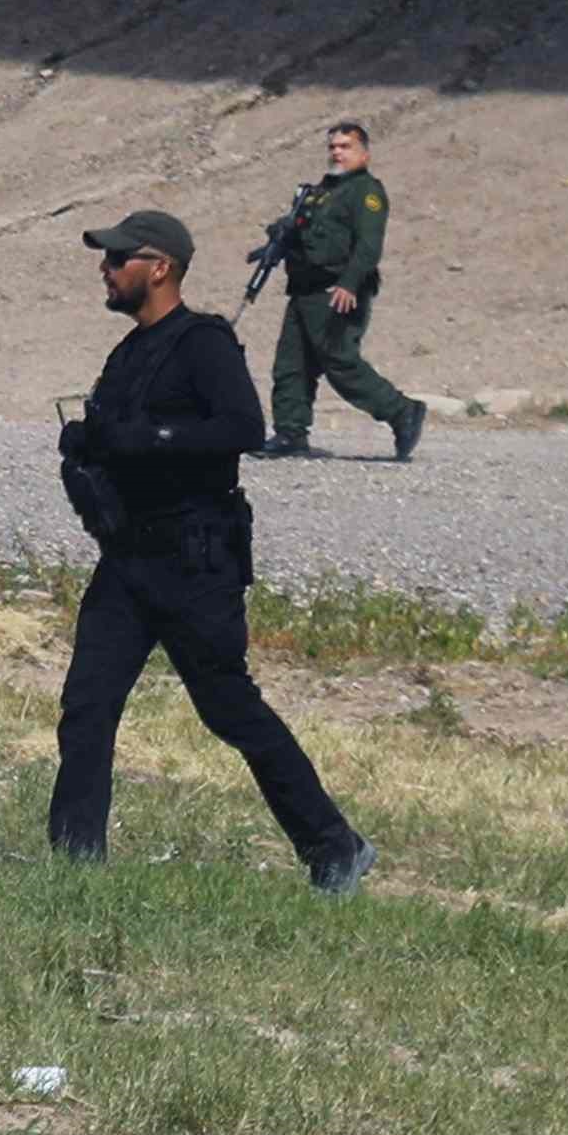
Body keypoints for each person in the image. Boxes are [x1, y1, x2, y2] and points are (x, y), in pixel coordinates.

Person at [49, 210, 370, 898]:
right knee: (87, 705)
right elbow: (120, 436)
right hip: (128, 561)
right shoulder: (129, 353)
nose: (105, 271)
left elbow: (242, 427)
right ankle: (74, 865)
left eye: (117, 259)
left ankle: (334, 846)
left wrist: (145, 437)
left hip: (195, 565)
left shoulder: (203, 344)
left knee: (228, 708)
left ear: (159, 267)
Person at [262, 120, 423, 465]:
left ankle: (401, 411)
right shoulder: (323, 191)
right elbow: (303, 229)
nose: (337, 152)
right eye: (333, 146)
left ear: (364, 153)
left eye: (345, 146)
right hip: (304, 289)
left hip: (335, 290)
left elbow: (368, 245)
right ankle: (291, 432)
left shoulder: (366, 192)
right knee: (292, 364)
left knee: (340, 361)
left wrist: (350, 283)